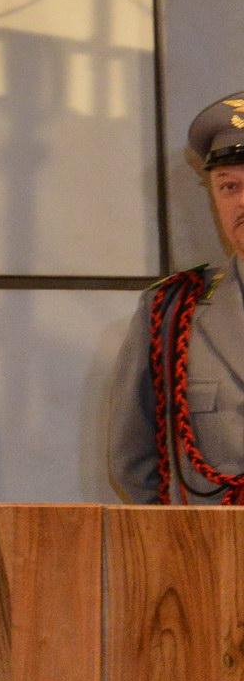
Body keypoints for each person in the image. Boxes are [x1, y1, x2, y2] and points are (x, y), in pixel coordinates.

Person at [112, 91, 244, 502]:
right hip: (211, 540)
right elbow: (134, 464)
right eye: (229, 186)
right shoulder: (172, 311)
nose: (242, 201)